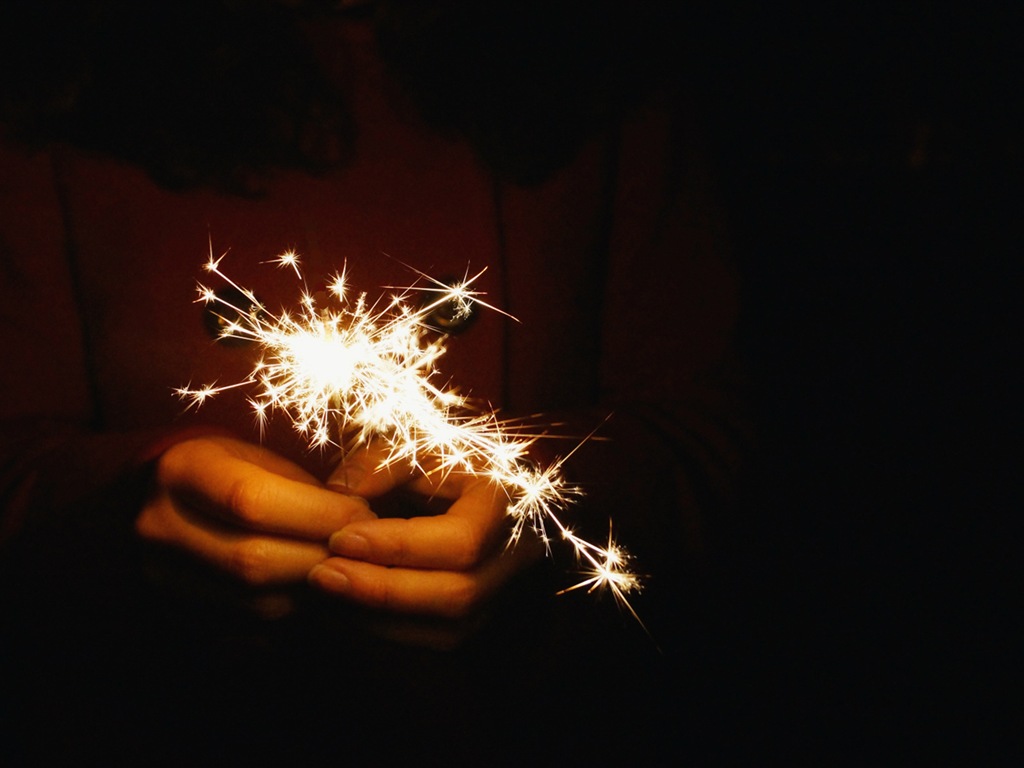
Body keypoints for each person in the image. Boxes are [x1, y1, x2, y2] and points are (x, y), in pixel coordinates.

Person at [0, 2, 744, 763]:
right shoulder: (50, 77)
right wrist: (119, 505)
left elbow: (725, 437)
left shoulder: (606, 57)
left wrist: (555, 502)